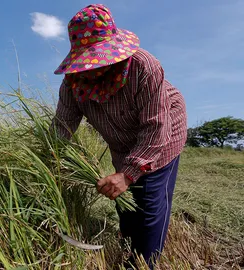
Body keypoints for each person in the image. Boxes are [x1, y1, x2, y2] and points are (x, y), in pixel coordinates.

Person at [50, 4, 187, 269]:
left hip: (163, 134)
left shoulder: (143, 67)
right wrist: (50, 161)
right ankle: (127, 242)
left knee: (148, 202)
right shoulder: (73, 82)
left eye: (99, 59)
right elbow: (62, 126)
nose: (92, 69)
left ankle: (143, 262)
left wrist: (128, 173)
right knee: (123, 200)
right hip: (121, 142)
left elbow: (156, 128)